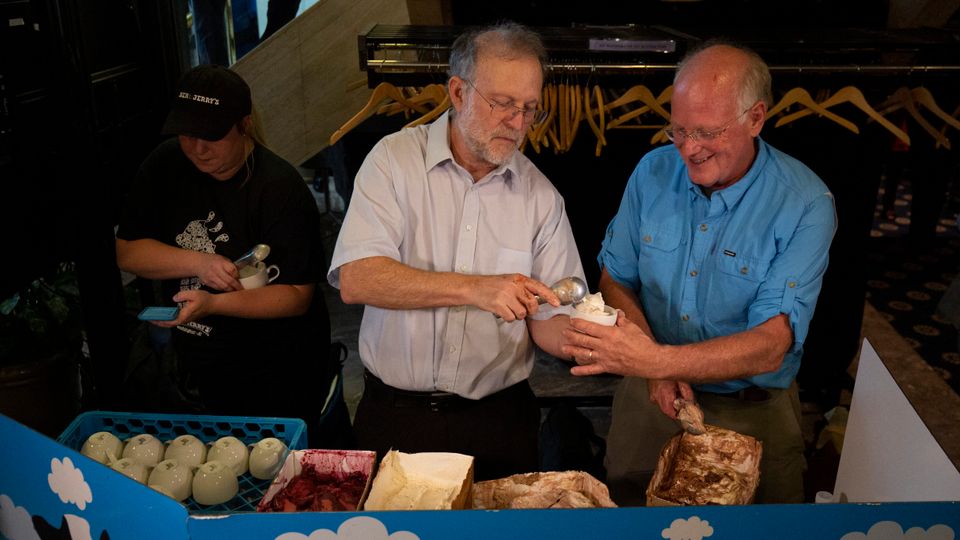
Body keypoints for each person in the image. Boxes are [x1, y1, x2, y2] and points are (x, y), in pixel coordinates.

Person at [562, 41, 837, 504]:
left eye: (707, 132)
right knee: (629, 513)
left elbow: (771, 345)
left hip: (751, 407)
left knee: (764, 530)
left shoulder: (806, 203)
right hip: (651, 396)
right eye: (679, 130)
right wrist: (654, 371)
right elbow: (616, 277)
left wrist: (655, 361)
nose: (689, 149)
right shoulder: (651, 172)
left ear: (756, 118)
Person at [327, 21, 584, 481]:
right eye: (502, 103)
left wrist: (592, 340)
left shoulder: (541, 197)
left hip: (499, 421)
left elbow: (551, 318)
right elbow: (357, 278)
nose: (518, 122)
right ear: (459, 92)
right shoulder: (393, 162)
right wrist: (475, 289)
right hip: (396, 416)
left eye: (529, 108)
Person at [115, 64, 341, 448]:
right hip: (195, 367)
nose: (198, 148)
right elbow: (128, 252)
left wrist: (213, 304)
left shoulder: (279, 188)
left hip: (275, 368)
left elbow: (296, 296)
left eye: (212, 136)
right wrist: (198, 262)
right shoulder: (165, 165)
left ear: (244, 125)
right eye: (188, 134)